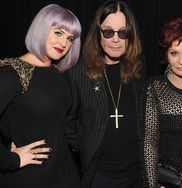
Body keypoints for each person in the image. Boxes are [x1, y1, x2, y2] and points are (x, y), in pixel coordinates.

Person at [64, 0, 146, 188]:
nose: (116, 39)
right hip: (99, 177)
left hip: (136, 176)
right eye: (108, 32)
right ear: (98, 34)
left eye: (123, 32)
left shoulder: (138, 71)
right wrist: (87, 147)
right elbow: (67, 127)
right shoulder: (79, 74)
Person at [0, 3, 82, 188]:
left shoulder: (57, 73)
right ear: (41, 29)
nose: (64, 43)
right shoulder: (12, 74)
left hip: (65, 173)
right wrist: (10, 159)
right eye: (58, 33)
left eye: (70, 38)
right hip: (29, 176)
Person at [140, 16, 182, 188]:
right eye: (174, 53)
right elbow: (149, 144)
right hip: (169, 181)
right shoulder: (155, 88)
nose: (181, 61)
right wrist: (152, 185)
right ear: (166, 54)